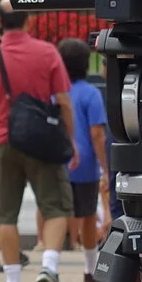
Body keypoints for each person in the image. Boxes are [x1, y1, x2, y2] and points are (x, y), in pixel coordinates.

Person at [0, 4, 75, 282]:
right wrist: (71, 141)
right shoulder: (48, 53)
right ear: (28, 20)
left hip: (1, 140)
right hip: (42, 140)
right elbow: (64, 102)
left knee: (4, 214)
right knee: (55, 207)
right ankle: (49, 267)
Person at [59, 37, 109, 255]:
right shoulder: (91, 93)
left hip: (59, 162)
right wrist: (105, 168)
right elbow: (97, 134)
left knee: (58, 213)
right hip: (86, 164)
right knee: (88, 215)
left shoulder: (55, 92)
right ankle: (90, 268)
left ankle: (52, 262)